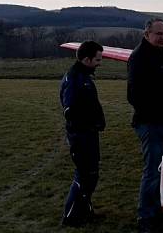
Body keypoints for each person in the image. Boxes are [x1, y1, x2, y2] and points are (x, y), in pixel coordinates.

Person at [127, 18, 163, 232]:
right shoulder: (139, 57)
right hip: (151, 123)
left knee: (162, 170)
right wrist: (157, 113)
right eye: (159, 34)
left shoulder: (161, 55)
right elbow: (134, 95)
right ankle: (145, 217)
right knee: (153, 171)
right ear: (147, 34)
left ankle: (156, 212)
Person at [59, 41, 105, 227]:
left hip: (90, 134)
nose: (100, 63)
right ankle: (71, 216)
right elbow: (69, 110)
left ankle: (85, 210)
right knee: (84, 175)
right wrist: (87, 124)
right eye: (98, 59)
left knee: (91, 175)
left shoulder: (84, 77)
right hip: (81, 136)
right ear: (86, 59)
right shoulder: (74, 79)